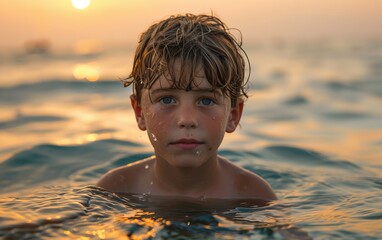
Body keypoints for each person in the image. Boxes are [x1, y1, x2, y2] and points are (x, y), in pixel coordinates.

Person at [97, 13, 277, 201]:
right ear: (140, 112)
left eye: (206, 101)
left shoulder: (253, 196)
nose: (187, 120)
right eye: (167, 100)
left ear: (233, 115)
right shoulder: (116, 189)